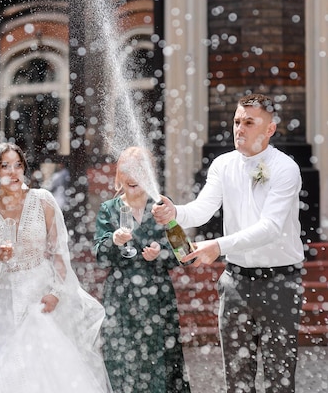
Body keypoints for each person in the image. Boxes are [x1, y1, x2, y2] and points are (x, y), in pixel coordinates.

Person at [153, 93, 304, 393]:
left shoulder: (286, 168)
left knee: (280, 380)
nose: (240, 129)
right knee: (236, 380)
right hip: (235, 283)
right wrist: (175, 212)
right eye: (237, 121)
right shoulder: (223, 164)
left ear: (269, 129)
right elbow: (202, 208)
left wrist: (217, 246)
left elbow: (270, 228)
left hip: (280, 284)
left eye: (249, 122)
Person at [0, 142, 110, 393]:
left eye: (18, 165)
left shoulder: (43, 200)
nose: (13, 172)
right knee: (2, 372)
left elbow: (59, 253)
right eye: (5, 166)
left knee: (49, 370)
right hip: (0, 303)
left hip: (41, 294)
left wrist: (56, 292)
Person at [94, 146, 190, 393]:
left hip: (157, 295)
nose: (131, 175)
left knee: (162, 361)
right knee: (123, 360)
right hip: (121, 296)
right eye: (126, 169)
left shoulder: (162, 206)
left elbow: (183, 254)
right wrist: (113, 242)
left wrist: (161, 254)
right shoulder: (109, 209)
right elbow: (100, 256)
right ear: (118, 175)